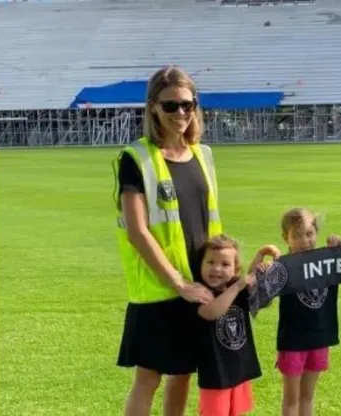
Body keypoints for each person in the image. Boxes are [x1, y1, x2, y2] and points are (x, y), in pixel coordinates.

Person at [114, 66, 223, 416]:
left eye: (188, 105)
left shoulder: (203, 154)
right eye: (171, 105)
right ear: (153, 107)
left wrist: (222, 273)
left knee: (183, 375)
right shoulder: (137, 158)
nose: (180, 113)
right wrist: (178, 283)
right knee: (148, 379)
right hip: (160, 288)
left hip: (200, 283)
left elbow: (210, 222)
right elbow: (137, 230)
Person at [195, 235, 280, 416]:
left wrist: (261, 256)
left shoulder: (236, 287)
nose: (216, 269)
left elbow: (255, 288)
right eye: (210, 262)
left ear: (235, 270)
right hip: (215, 373)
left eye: (225, 264)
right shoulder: (200, 292)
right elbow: (211, 312)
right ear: (200, 264)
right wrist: (238, 286)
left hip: (239, 368)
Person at [275, 208, 341, 416]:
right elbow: (259, 295)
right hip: (293, 342)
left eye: (309, 233)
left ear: (316, 232)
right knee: (291, 399)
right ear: (285, 237)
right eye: (296, 235)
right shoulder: (283, 267)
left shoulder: (328, 262)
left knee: (308, 396)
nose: (304, 241)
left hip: (319, 338)